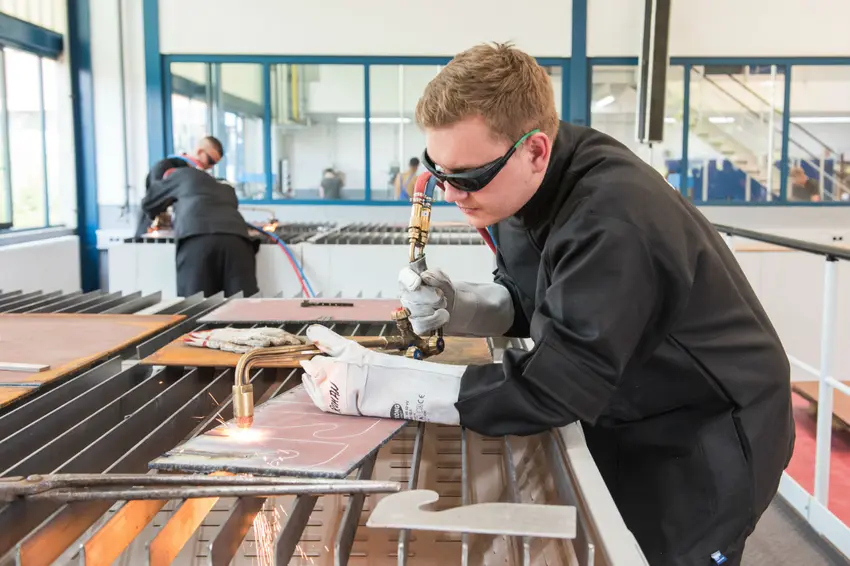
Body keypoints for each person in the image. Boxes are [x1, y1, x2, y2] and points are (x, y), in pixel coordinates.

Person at [299, 43, 795, 566]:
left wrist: (390, 387)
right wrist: (463, 304)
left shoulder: (612, 219)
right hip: (626, 403)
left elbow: (558, 386)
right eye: (438, 171)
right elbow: (536, 297)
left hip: (702, 435)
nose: (450, 193)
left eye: (467, 177)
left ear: (535, 150)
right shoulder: (521, 179)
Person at [141, 135, 259, 298]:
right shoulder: (224, 187)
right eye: (210, 161)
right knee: (243, 304)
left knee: (197, 305)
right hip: (238, 241)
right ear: (199, 151)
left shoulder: (181, 176)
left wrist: (161, 214)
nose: (210, 166)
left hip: (198, 240)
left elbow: (150, 203)